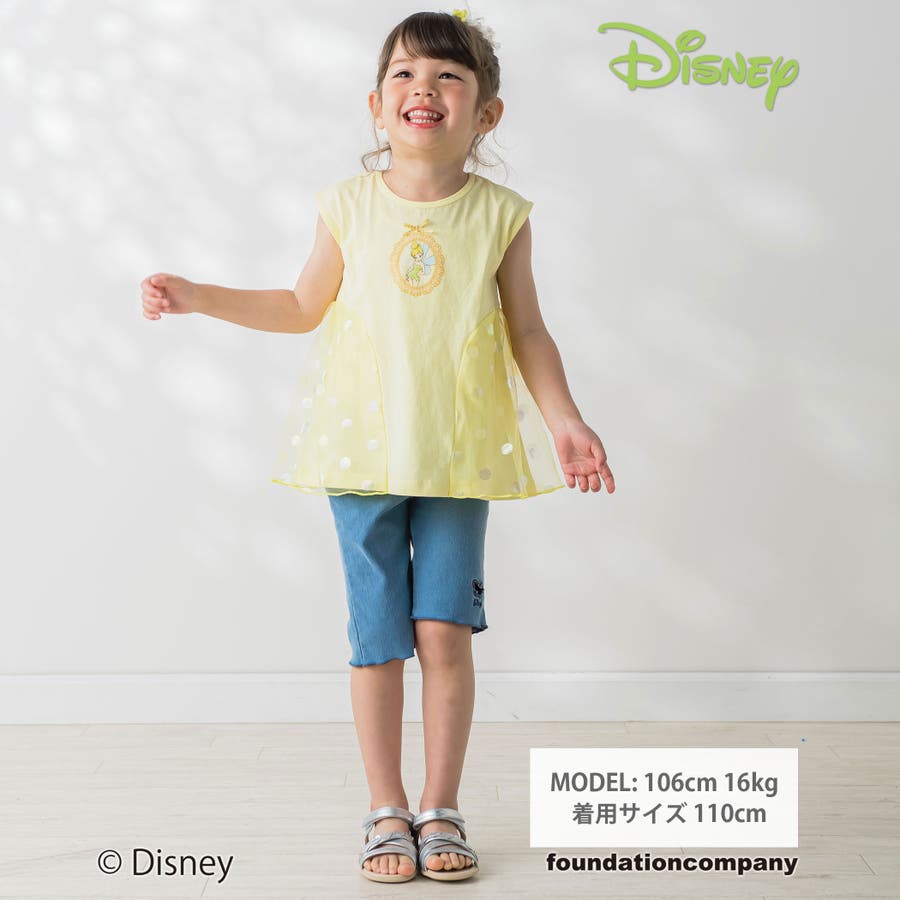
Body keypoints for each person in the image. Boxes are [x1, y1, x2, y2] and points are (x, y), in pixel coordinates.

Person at [139, 6, 615, 885]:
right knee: (378, 636)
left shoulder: (501, 216)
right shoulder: (348, 207)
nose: (423, 88)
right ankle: (385, 806)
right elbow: (300, 307)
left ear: (486, 114)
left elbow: (529, 332)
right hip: (358, 456)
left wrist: (566, 420)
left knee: (445, 631)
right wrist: (200, 295)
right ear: (376, 104)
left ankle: (440, 805)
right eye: (404, 73)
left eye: (448, 76)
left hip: (458, 455)